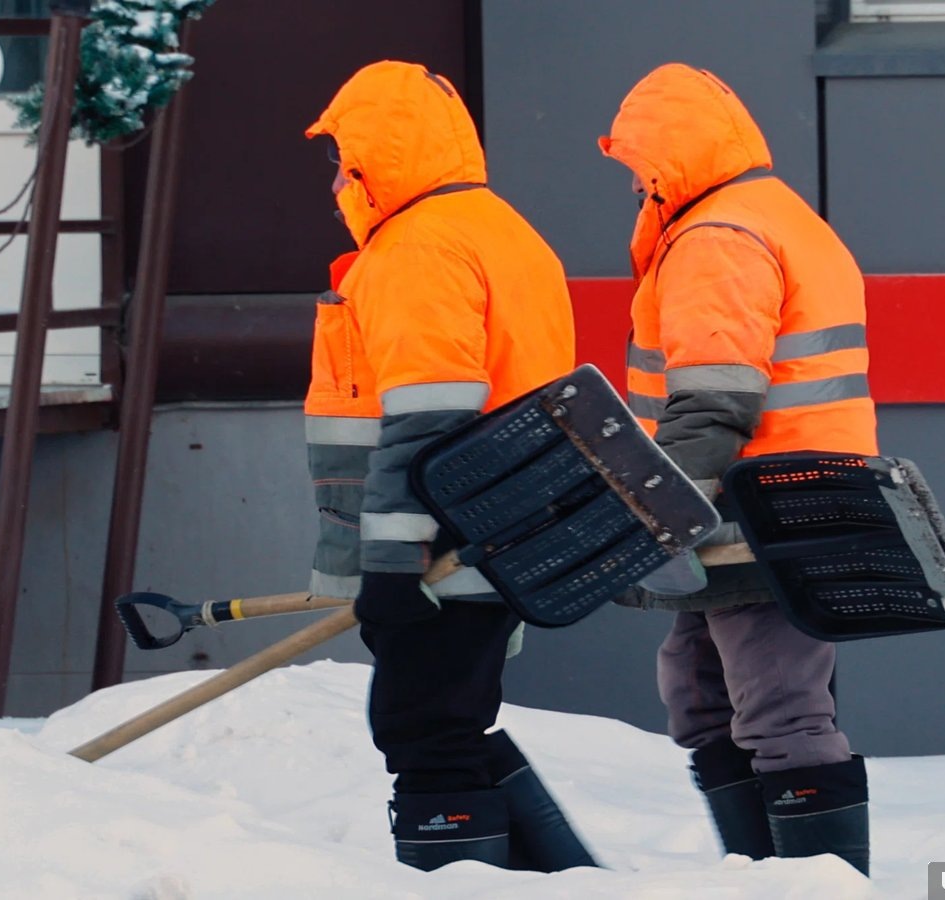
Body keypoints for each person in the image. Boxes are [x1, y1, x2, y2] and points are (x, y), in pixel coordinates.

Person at [303, 60, 596, 873]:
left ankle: (461, 876)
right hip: (502, 532)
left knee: (426, 732)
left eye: (343, 162)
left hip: (444, 547)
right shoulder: (503, 231)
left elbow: (428, 419)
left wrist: (392, 563)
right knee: (456, 721)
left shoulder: (417, 248)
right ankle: (560, 882)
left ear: (376, 159)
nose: (336, 183)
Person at [597, 63, 876, 876]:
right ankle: (759, 877)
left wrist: (657, 513)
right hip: (774, 504)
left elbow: (714, 399)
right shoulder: (774, 215)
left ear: (671, 157)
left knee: (780, 712)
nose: (636, 185)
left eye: (641, 166)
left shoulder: (716, 236)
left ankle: (817, 886)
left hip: (759, 510)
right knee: (702, 694)